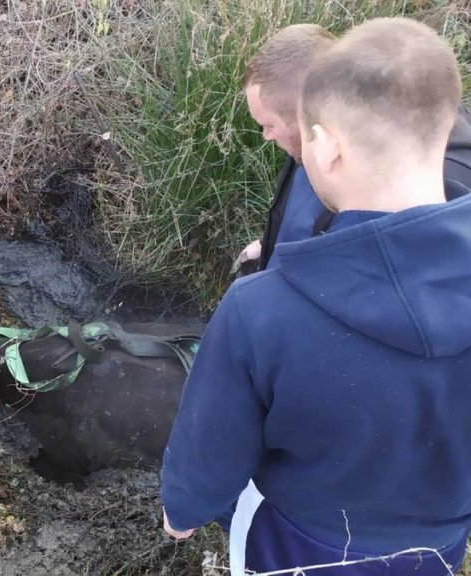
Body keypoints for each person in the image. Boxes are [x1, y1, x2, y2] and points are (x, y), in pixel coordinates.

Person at [161, 17, 471, 575]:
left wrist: (182, 509)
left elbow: (212, 443)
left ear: (324, 145)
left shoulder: (258, 311)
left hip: (301, 541)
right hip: (437, 546)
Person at [234, 24, 471, 275]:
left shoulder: (424, 186)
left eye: (269, 125)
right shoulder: (309, 143)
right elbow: (302, 216)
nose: (266, 135)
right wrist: (269, 245)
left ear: (309, 116)